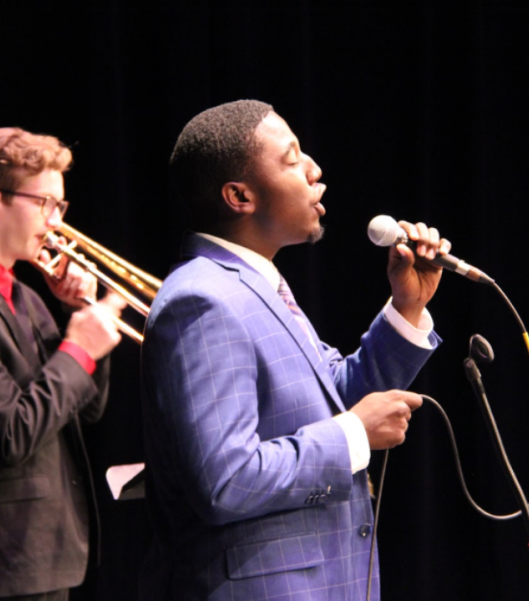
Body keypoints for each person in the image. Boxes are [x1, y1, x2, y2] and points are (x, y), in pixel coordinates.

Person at [140, 100, 450, 600]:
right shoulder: (202, 300)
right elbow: (226, 480)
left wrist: (405, 308)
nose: (313, 169)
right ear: (240, 195)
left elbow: (335, 393)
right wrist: (353, 435)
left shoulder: (256, 284)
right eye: (291, 159)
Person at [0, 127, 125, 600]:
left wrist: (80, 318)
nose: (56, 223)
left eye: (60, 207)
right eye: (45, 204)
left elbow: (83, 411)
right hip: (4, 562)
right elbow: (8, 436)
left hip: (47, 552)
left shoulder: (25, 295)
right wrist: (77, 350)